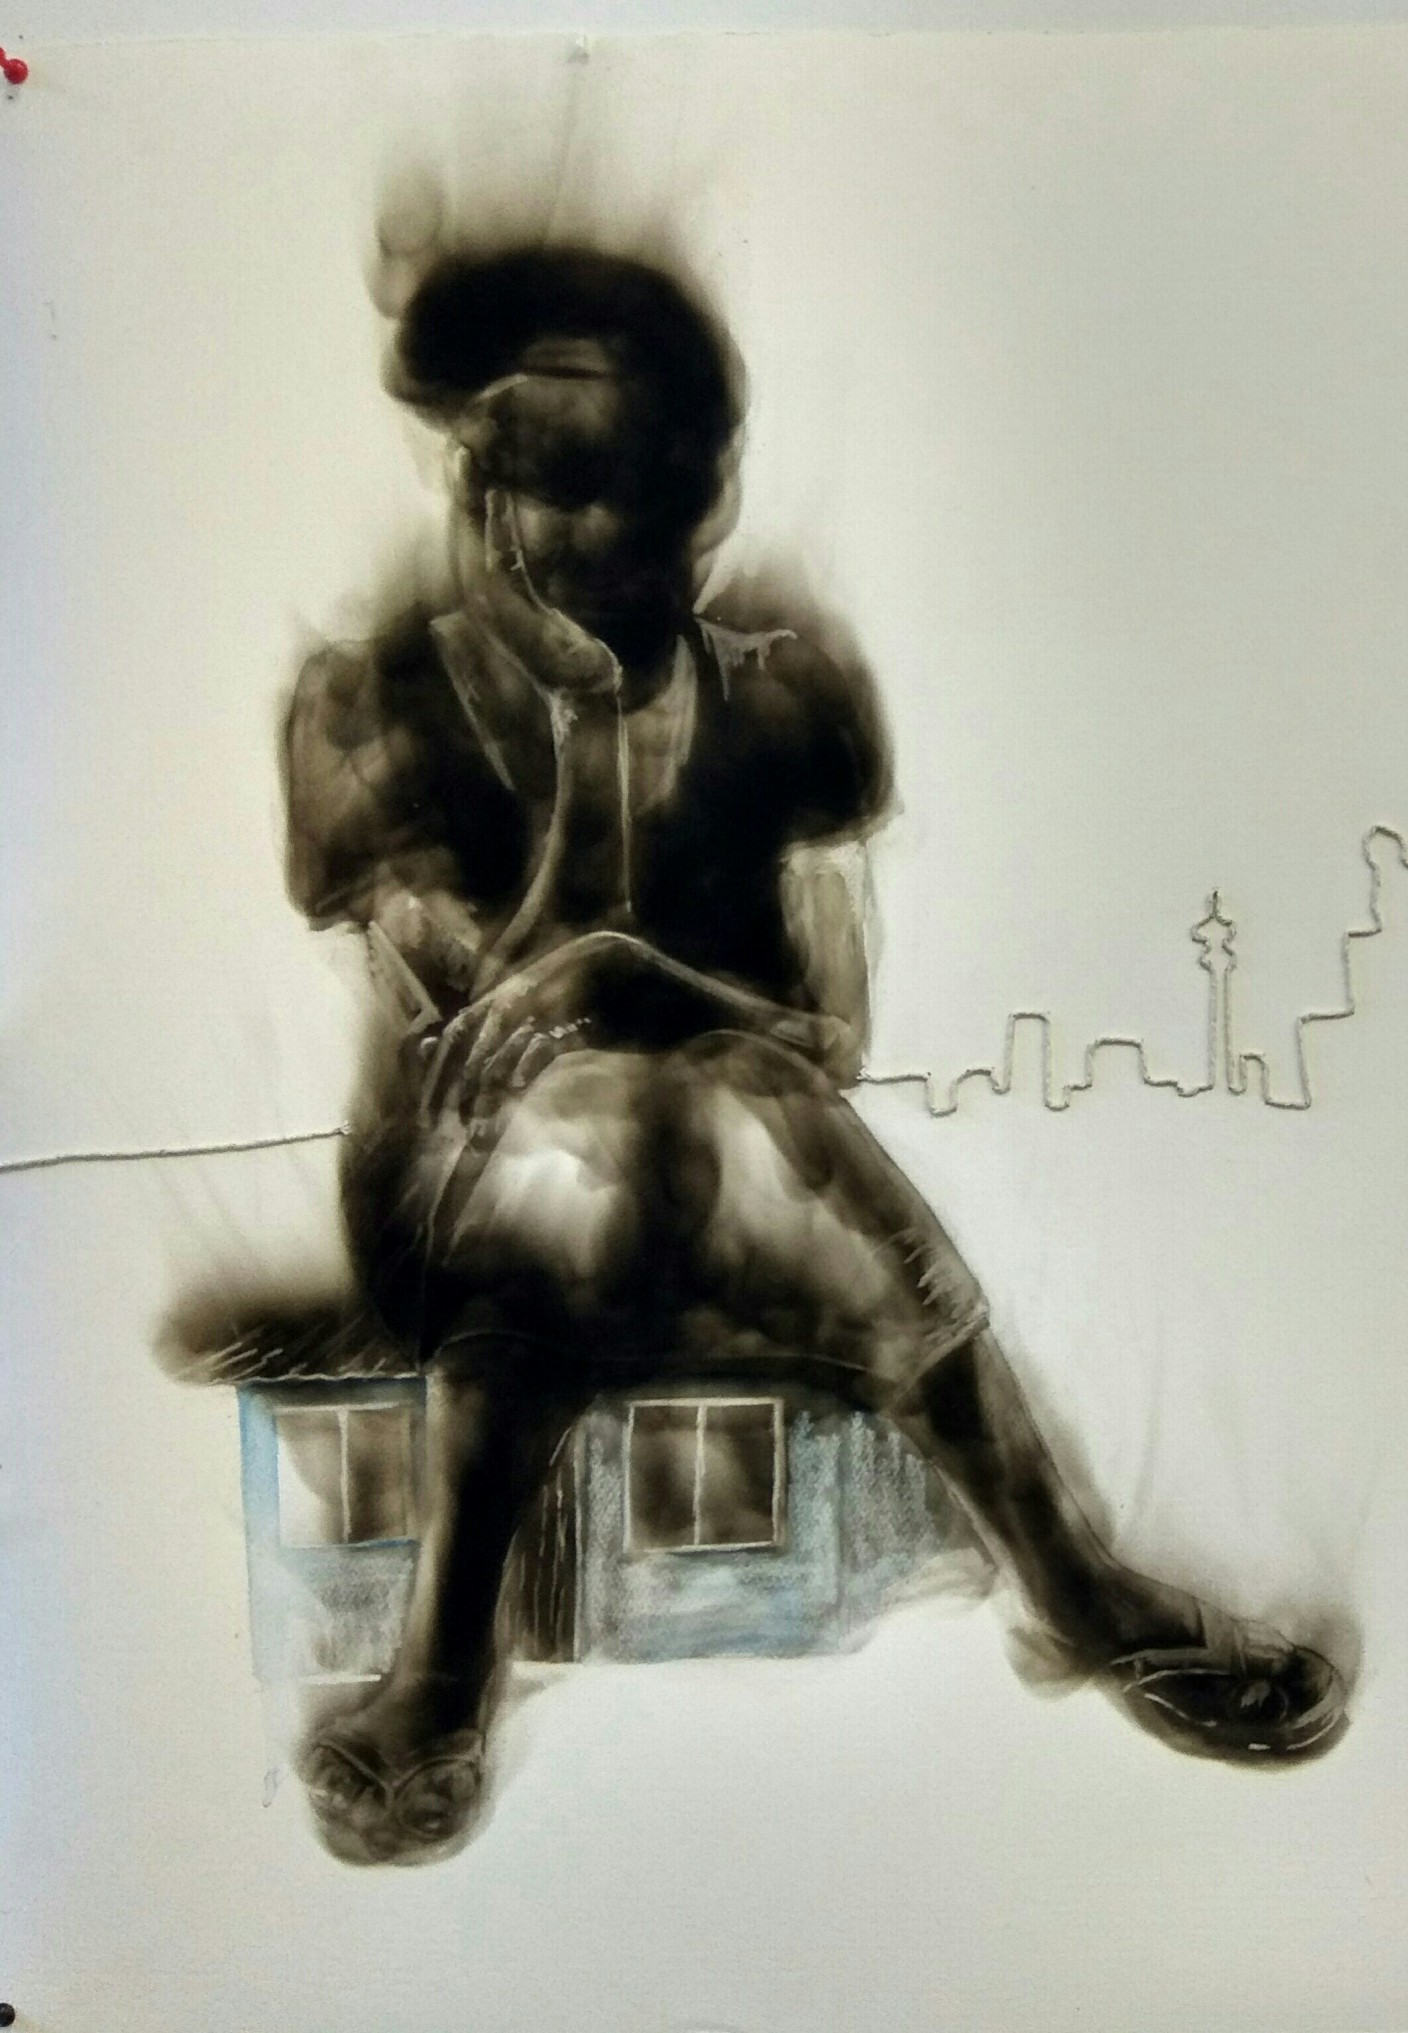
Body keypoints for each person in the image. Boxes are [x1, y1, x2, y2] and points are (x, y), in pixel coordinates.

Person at [269, 244, 1346, 1864]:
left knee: (733, 1101)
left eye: (651, 494)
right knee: (623, 1120)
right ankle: (1070, 1590)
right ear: (481, 490)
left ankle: (451, 1679)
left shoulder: (786, 698)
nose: (608, 539)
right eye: (559, 489)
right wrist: (573, 792)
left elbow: (830, 1031)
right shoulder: (377, 707)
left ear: (703, 497)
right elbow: (459, 1030)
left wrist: (646, 985)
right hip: (472, 1192)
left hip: (761, 1179)